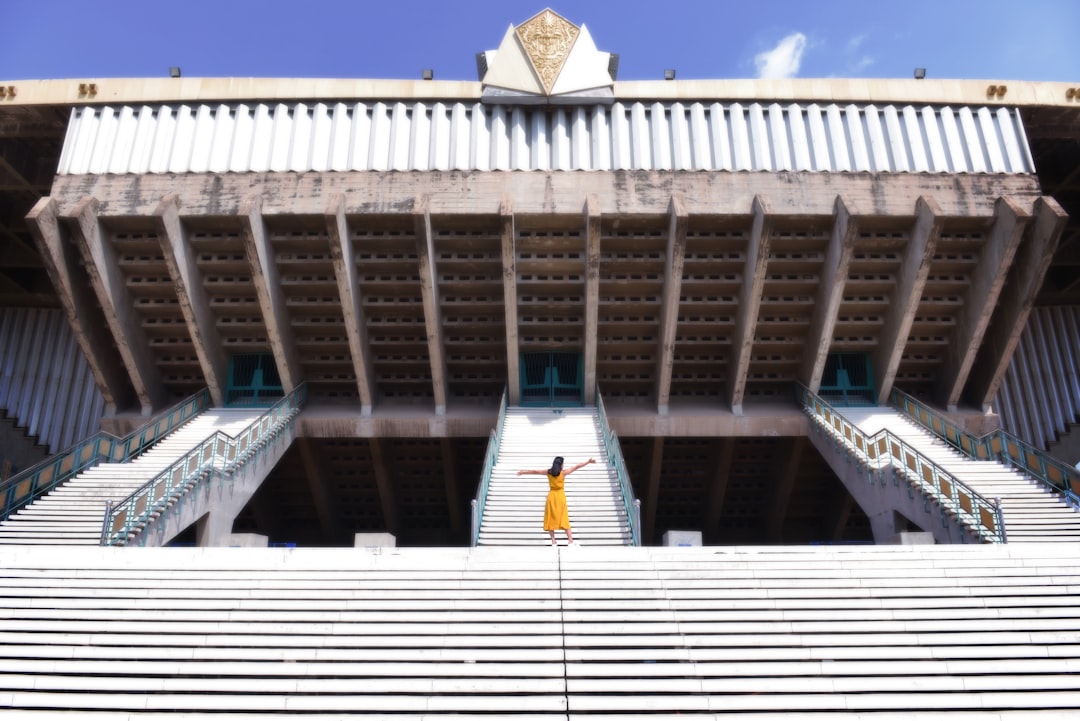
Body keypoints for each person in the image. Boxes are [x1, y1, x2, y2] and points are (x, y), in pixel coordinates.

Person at [518, 455, 596, 546]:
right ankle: (570, 541)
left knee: (550, 519)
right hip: (560, 497)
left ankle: (553, 541)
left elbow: (536, 471)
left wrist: (523, 472)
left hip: (551, 497)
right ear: (561, 464)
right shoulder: (563, 473)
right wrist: (588, 462)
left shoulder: (549, 472)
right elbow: (576, 467)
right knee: (564, 518)